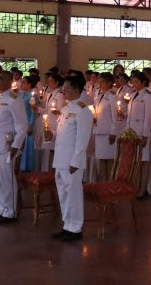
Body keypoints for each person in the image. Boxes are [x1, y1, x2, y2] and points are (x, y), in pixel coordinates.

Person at [0, 71, 28, 224]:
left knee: (7, 178)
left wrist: (16, 146)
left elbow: (22, 126)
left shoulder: (14, 100)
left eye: (2, 79)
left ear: (10, 81)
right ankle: (0, 208)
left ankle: (10, 211)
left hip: (6, 145)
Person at [52, 76, 93, 242]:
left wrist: (76, 161)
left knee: (73, 194)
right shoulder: (66, 108)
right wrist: (51, 134)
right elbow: (64, 133)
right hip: (60, 158)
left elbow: (82, 139)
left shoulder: (83, 111)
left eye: (66, 88)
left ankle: (75, 227)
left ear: (76, 90)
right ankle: (67, 224)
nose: (63, 91)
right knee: (63, 194)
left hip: (71, 161)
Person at [125, 72, 151, 197]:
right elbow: (129, 116)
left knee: (143, 161)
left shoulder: (148, 96)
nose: (134, 84)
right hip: (132, 132)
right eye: (133, 82)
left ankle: (142, 190)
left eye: (137, 82)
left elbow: (148, 117)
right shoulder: (133, 95)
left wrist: (145, 135)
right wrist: (126, 132)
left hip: (141, 132)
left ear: (143, 83)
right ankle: (135, 186)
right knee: (135, 161)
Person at [91, 72, 122, 181]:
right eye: (99, 82)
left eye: (102, 82)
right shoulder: (99, 96)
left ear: (109, 83)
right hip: (99, 131)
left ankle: (110, 183)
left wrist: (113, 132)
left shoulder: (112, 97)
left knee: (109, 160)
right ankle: (103, 182)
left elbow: (116, 116)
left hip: (108, 133)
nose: (100, 84)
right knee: (100, 160)